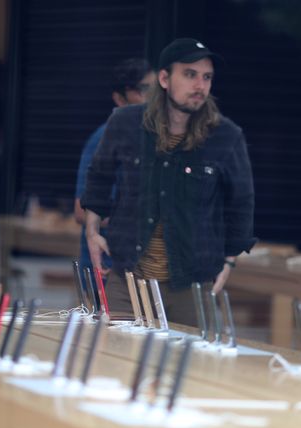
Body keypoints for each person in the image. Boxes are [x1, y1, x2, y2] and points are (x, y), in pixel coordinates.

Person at [82, 38, 256, 326]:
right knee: (115, 362)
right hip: (128, 279)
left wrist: (229, 260)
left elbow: (241, 200)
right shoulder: (125, 122)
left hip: (192, 284)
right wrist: (92, 230)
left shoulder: (226, 135)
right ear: (164, 78)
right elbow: (99, 175)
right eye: (190, 75)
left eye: (207, 77)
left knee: (191, 366)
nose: (200, 85)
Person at [73, 58, 154, 280]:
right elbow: (81, 210)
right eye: (145, 89)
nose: (154, 96)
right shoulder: (103, 138)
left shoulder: (155, 139)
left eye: (158, 88)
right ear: (119, 99)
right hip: (107, 266)